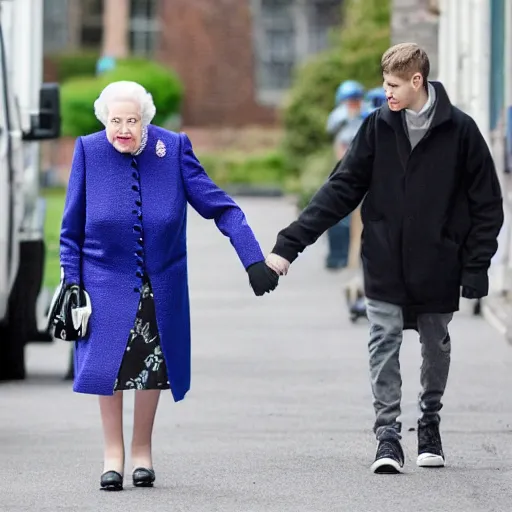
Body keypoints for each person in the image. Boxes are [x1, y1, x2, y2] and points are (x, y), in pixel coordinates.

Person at [265, 43, 504, 473]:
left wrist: (475, 265)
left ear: (418, 81)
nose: (386, 91)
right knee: (383, 341)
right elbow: (340, 189)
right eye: (383, 82)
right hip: (385, 261)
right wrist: (287, 247)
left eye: (393, 84)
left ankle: (429, 424)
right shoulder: (377, 127)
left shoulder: (461, 131)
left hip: (438, 262)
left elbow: (487, 203)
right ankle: (388, 436)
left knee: (436, 345)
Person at [60, 80, 279, 491]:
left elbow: (221, 206)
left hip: (160, 284)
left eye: (132, 121)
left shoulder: (173, 149)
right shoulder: (88, 151)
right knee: (108, 369)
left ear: (145, 121)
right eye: (115, 120)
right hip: (103, 283)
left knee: (151, 368)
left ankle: (142, 451)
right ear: (103, 120)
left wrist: (253, 257)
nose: (123, 129)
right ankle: (113, 455)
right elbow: (70, 230)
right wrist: (72, 283)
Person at [324, 80, 366, 270]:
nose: (353, 105)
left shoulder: (366, 116)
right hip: (343, 171)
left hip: (363, 172)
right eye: (349, 101)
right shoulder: (339, 118)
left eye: (356, 100)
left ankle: (361, 257)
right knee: (337, 215)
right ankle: (338, 256)